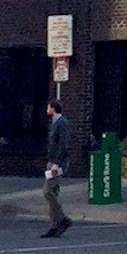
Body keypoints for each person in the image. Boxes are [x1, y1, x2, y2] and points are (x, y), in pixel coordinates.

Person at [41, 99, 73, 238]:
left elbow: (64, 145)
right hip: (52, 160)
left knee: (47, 191)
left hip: (57, 163)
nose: (46, 109)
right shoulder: (54, 123)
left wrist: (57, 163)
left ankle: (63, 219)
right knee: (53, 192)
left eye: (48, 107)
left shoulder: (62, 123)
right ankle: (54, 226)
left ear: (53, 108)